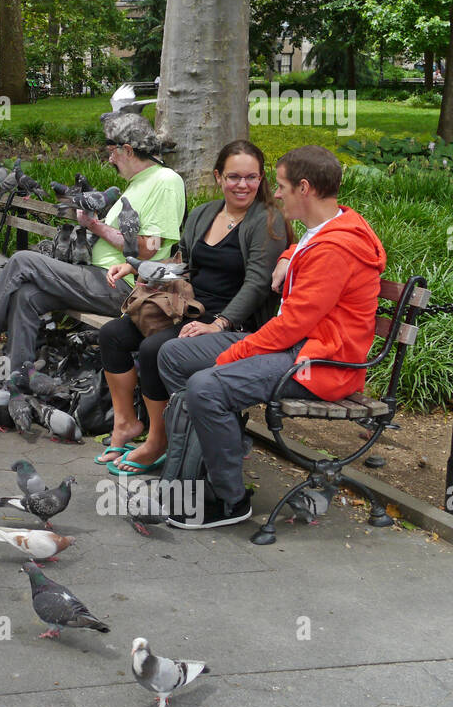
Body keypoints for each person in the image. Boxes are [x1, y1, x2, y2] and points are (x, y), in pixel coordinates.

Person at [155, 145, 385, 528]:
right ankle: (204, 459)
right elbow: (307, 246)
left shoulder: (337, 249)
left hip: (319, 364)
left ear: (304, 189)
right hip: (295, 348)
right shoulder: (330, 228)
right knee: (173, 355)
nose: (274, 193)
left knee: (206, 387)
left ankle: (229, 500)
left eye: (281, 186)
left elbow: (291, 326)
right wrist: (286, 255)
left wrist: (232, 355)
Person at [95, 140, 293, 475]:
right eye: (233, 177)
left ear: (261, 179)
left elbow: (258, 284)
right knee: (113, 334)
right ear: (218, 177)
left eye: (251, 177)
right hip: (187, 307)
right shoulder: (204, 214)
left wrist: (221, 324)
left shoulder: (267, 222)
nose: (242, 185)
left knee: (156, 348)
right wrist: (138, 269)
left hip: (232, 321)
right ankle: (126, 424)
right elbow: (182, 263)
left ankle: (158, 439)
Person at [0, 111, 186, 371]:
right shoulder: (137, 183)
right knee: (26, 295)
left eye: (112, 152)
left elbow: (148, 248)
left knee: (22, 261)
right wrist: (91, 228)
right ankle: (18, 379)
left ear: (129, 150)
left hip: (126, 286)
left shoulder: (165, 181)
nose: (110, 159)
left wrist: (95, 227)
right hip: (99, 277)